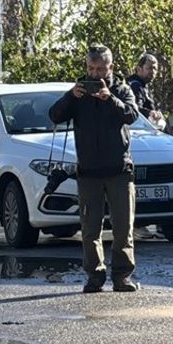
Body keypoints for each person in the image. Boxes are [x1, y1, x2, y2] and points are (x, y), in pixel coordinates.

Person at [49, 44, 140, 293]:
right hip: (88, 171)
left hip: (119, 170)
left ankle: (122, 276)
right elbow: (54, 115)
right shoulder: (78, 93)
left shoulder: (121, 89)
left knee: (123, 229)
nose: (95, 74)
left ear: (110, 67)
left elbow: (132, 115)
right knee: (90, 230)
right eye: (91, 68)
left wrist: (109, 98)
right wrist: (70, 96)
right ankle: (94, 276)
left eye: (100, 69)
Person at [127, 54, 165, 126]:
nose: (153, 72)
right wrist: (149, 113)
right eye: (149, 68)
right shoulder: (135, 86)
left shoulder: (143, 85)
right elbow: (135, 109)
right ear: (139, 69)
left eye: (155, 68)